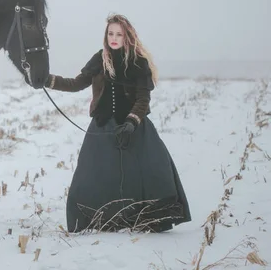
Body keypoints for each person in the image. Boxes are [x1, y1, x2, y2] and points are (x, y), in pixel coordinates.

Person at [45, 14, 191, 233]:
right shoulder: (99, 59)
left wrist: (132, 122)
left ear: (127, 36)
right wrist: (47, 80)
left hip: (133, 128)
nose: (114, 38)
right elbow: (76, 84)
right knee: (91, 177)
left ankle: (144, 220)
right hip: (103, 127)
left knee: (149, 174)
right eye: (110, 33)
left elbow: (143, 98)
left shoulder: (138, 61)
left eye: (119, 34)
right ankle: (98, 221)